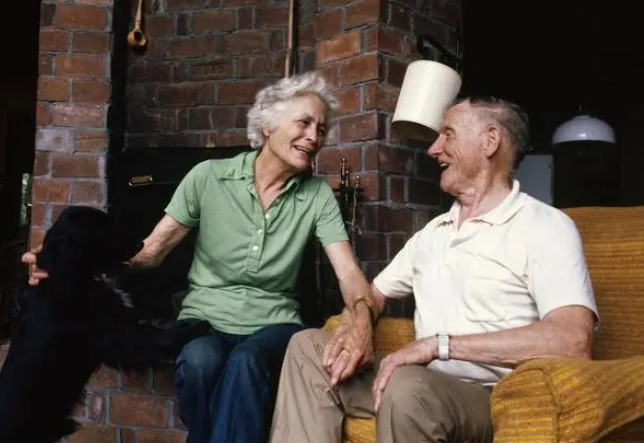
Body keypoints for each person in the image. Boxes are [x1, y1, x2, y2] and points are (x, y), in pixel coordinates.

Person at [21, 71, 375, 443]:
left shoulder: (316, 195)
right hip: (205, 318)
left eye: (321, 129)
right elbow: (150, 252)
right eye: (304, 123)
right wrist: (65, 261)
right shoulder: (208, 177)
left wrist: (363, 318)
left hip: (276, 323)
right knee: (198, 361)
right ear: (268, 126)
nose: (314, 137)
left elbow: (348, 272)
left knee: (247, 361)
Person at [268, 96, 599, 443]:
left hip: (493, 396)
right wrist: (362, 323)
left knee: (409, 388)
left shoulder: (545, 226)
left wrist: (438, 346)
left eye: (448, 134)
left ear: (490, 141)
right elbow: (374, 294)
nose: (433, 149)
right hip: (420, 383)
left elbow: (573, 340)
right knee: (307, 347)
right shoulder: (434, 232)